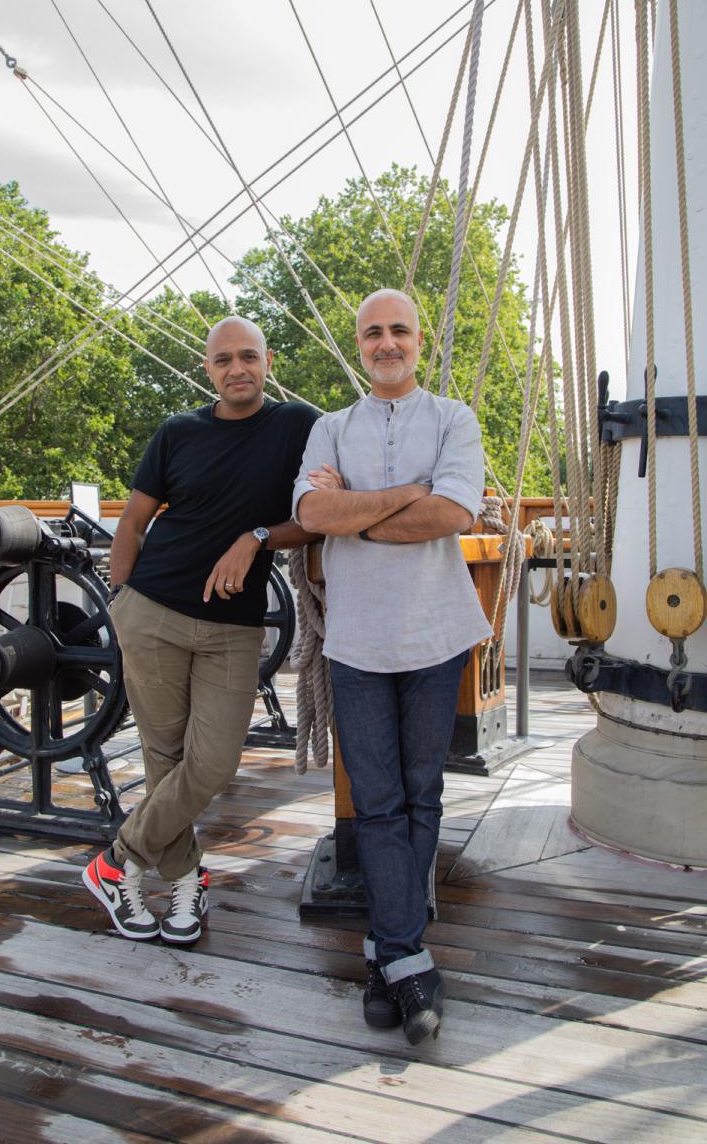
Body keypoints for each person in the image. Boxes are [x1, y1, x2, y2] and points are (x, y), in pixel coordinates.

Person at [293, 288, 491, 1045]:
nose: (386, 343)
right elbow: (312, 517)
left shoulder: (454, 421)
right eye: (373, 332)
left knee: (420, 793)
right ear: (359, 343)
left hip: (436, 634)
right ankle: (408, 961)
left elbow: (453, 513)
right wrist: (407, 494)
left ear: (420, 341)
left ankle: (387, 955)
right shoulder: (327, 429)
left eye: (398, 330)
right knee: (376, 802)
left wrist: (363, 510)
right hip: (358, 642)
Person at [83, 316, 318, 944]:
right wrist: (121, 595)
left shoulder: (302, 425)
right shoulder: (178, 432)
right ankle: (183, 884)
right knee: (165, 762)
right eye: (223, 360)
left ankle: (117, 860)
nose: (237, 368)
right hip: (152, 613)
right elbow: (132, 521)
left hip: (234, 628)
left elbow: (319, 515)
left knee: (211, 764)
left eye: (249, 356)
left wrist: (258, 536)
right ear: (208, 369)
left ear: (268, 361)